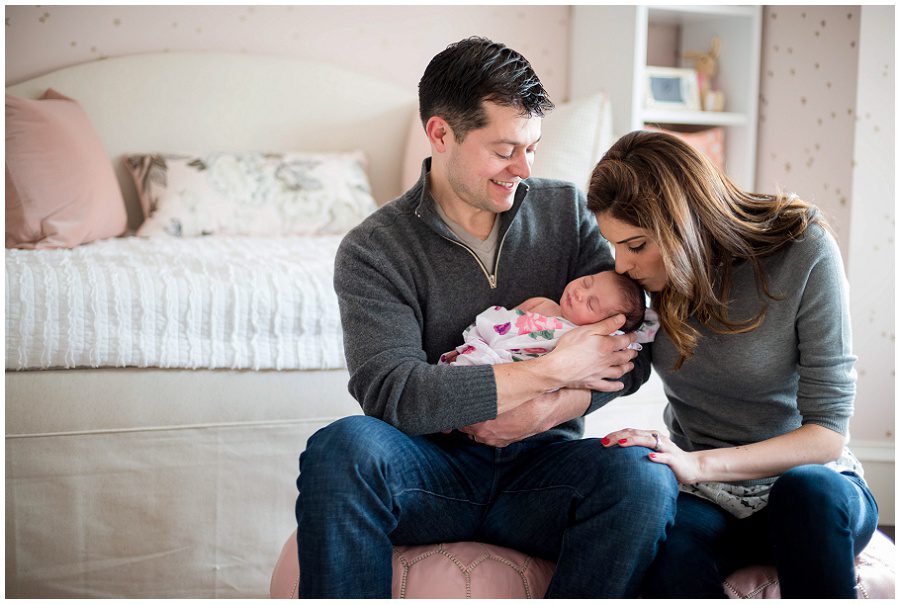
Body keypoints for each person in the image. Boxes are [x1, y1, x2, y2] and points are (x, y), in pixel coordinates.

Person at [295, 37, 678, 598]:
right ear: (441, 134)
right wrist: (544, 373)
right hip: (430, 471)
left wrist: (547, 409)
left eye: (532, 148)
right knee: (341, 449)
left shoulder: (566, 212)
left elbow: (634, 346)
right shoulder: (374, 249)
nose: (523, 168)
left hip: (543, 468)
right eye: (504, 150)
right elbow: (392, 391)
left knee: (644, 476)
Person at [587, 130, 878, 598]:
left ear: (684, 225)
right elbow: (602, 364)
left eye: (635, 245)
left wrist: (696, 463)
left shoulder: (803, 249)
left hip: (807, 486)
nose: (621, 265)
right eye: (614, 244)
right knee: (669, 559)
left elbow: (827, 434)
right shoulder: (643, 281)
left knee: (806, 494)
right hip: (711, 500)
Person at [440, 269, 658, 366]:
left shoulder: (584, 340)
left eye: (591, 304)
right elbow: (502, 323)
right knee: (465, 365)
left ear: (604, 325)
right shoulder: (542, 303)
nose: (580, 293)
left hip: (515, 374)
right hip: (492, 351)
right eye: (587, 282)